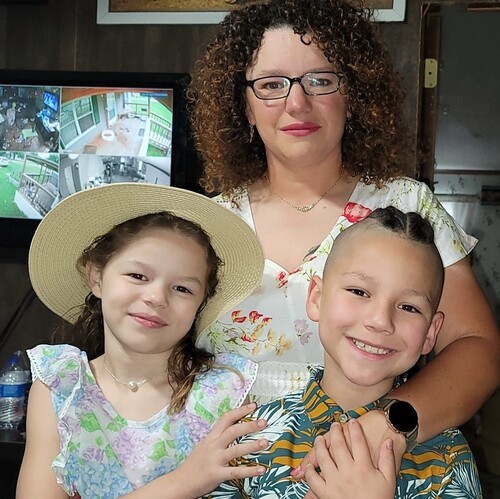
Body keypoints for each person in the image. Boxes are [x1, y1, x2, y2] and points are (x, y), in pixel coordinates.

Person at [188, 0, 499, 462]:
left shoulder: (408, 206)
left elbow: (478, 349)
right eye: (271, 85)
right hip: (221, 475)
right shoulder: (202, 226)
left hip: (370, 468)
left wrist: (384, 428)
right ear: (245, 109)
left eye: (320, 80)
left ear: (353, 95)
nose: (297, 103)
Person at [208, 207, 482, 498]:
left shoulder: (448, 457)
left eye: (409, 307)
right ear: (317, 298)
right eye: (359, 292)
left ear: (430, 333)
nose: (380, 320)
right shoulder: (248, 440)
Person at [17, 183, 269, 499]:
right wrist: (183, 482)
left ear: (201, 303)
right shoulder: (61, 386)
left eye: (183, 289)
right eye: (138, 276)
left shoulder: (225, 390)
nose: (156, 297)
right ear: (96, 276)